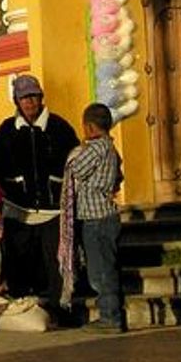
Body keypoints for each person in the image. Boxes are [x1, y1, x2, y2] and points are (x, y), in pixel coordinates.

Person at [0, 74, 77, 314]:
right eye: (24, 97)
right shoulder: (6, 130)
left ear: (41, 98)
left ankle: (59, 310)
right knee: (18, 263)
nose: (30, 102)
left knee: (56, 263)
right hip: (17, 210)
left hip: (53, 210)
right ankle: (22, 310)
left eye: (33, 96)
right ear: (17, 100)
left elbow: (74, 161)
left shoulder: (60, 128)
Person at [61, 102, 126, 332]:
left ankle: (110, 317)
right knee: (107, 267)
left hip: (96, 219)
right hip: (107, 215)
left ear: (89, 127)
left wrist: (78, 151)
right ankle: (113, 314)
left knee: (100, 272)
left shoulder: (96, 149)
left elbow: (76, 169)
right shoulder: (111, 149)